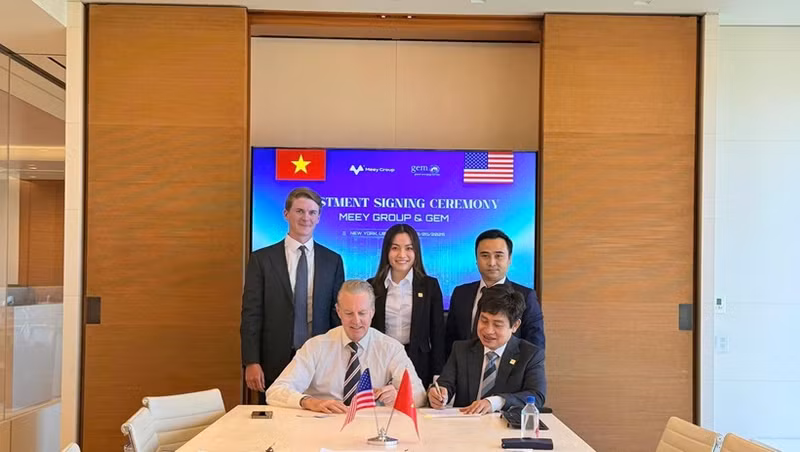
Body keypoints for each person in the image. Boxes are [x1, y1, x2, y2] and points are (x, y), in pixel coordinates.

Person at [241, 187, 345, 403]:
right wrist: (251, 361)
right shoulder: (262, 260)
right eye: (299, 211)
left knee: (317, 423)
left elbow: (337, 316)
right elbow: (251, 314)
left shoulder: (333, 261)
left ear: (318, 217)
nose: (305, 217)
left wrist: (339, 360)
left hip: (320, 361)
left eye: (312, 212)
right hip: (273, 360)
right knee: (272, 426)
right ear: (286, 214)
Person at [266, 280, 427, 413]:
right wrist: (309, 402)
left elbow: (420, 396)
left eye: (362, 313)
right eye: (349, 313)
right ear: (338, 311)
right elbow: (275, 392)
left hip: (371, 429)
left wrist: (399, 397)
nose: (356, 321)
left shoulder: (391, 348)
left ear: (372, 311)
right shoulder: (316, 346)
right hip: (322, 428)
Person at [429, 284, 546, 413]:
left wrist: (496, 402)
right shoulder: (461, 349)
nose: (488, 331)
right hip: (466, 426)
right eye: (484, 321)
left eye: (497, 324)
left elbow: (537, 396)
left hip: (506, 428)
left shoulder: (531, 355)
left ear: (515, 326)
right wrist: (437, 393)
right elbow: (444, 384)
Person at [445, 229, 544, 357]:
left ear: (509, 259)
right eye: (485, 255)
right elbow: (450, 341)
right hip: (464, 373)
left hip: (509, 373)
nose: (491, 263)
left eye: (498, 256)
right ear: (476, 259)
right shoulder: (461, 293)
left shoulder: (526, 296)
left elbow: (535, 345)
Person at [367, 224, 445, 387]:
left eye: (409, 248)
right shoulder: (372, 286)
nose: (402, 255)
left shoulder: (430, 286)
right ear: (386, 251)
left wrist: (438, 374)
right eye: (395, 248)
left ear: (416, 252)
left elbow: (437, 334)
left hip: (419, 362)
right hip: (381, 360)